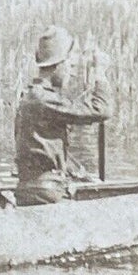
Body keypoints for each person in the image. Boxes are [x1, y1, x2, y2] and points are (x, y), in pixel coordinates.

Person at [13, 24, 111, 206]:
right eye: (70, 65)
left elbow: (43, 151)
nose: (71, 72)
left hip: (33, 190)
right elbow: (101, 110)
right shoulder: (44, 99)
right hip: (47, 193)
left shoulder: (30, 97)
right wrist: (100, 75)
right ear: (58, 65)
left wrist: (77, 173)